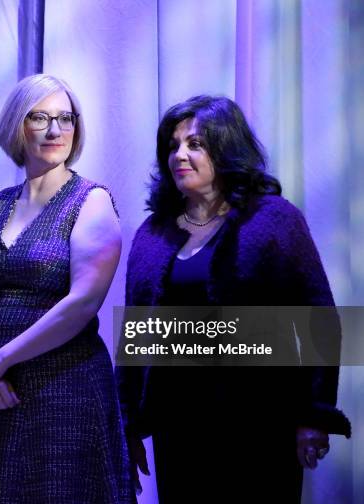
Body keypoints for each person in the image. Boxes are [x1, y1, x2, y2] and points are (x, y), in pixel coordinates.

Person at [116, 95, 351, 503]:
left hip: (262, 421)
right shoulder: (153, 234)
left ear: (226, 147)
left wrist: (314, 413)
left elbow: (320, 318)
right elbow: (135, 339)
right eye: (172, 146)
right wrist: (129, 426)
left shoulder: (275, 219)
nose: (179, 155)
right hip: (181, 429)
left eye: (195, 144)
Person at [0, 74, 134, 503]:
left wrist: (0, 361)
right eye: (40, 117)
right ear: (18, 126)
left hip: (63, 392)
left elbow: (82, 304)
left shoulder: (91, 200)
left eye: (65, 119)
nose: (55, 130)